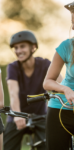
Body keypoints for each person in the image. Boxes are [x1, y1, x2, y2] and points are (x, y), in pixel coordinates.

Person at [3, 30, 62, 150]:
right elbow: (13, 93)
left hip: (40, 116)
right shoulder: (13, 67)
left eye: (22, 46)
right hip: (17, 116)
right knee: (7, 147)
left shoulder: (45, 65)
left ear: (33, 47)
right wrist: (18, 115)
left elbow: (61, 85)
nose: (18, 51)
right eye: (16, 48)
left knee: (50, 145)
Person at [43, 2, 74, 150]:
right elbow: (48, 82)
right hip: (61, 109)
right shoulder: (66, 46)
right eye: (72, 22)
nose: (73, 27)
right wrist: (65, 89)